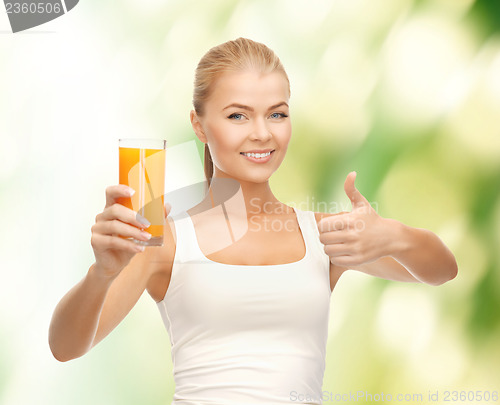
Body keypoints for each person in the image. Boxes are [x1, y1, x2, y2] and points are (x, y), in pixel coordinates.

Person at [49, 37, 458, 404]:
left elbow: (443, 270)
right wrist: (100, 274)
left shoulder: (322, 236)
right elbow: (65, 347)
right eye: (238, 116)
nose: (262, 133)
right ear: (199, 126)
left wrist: (393, 236)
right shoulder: (165, 241)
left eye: (277, 114)